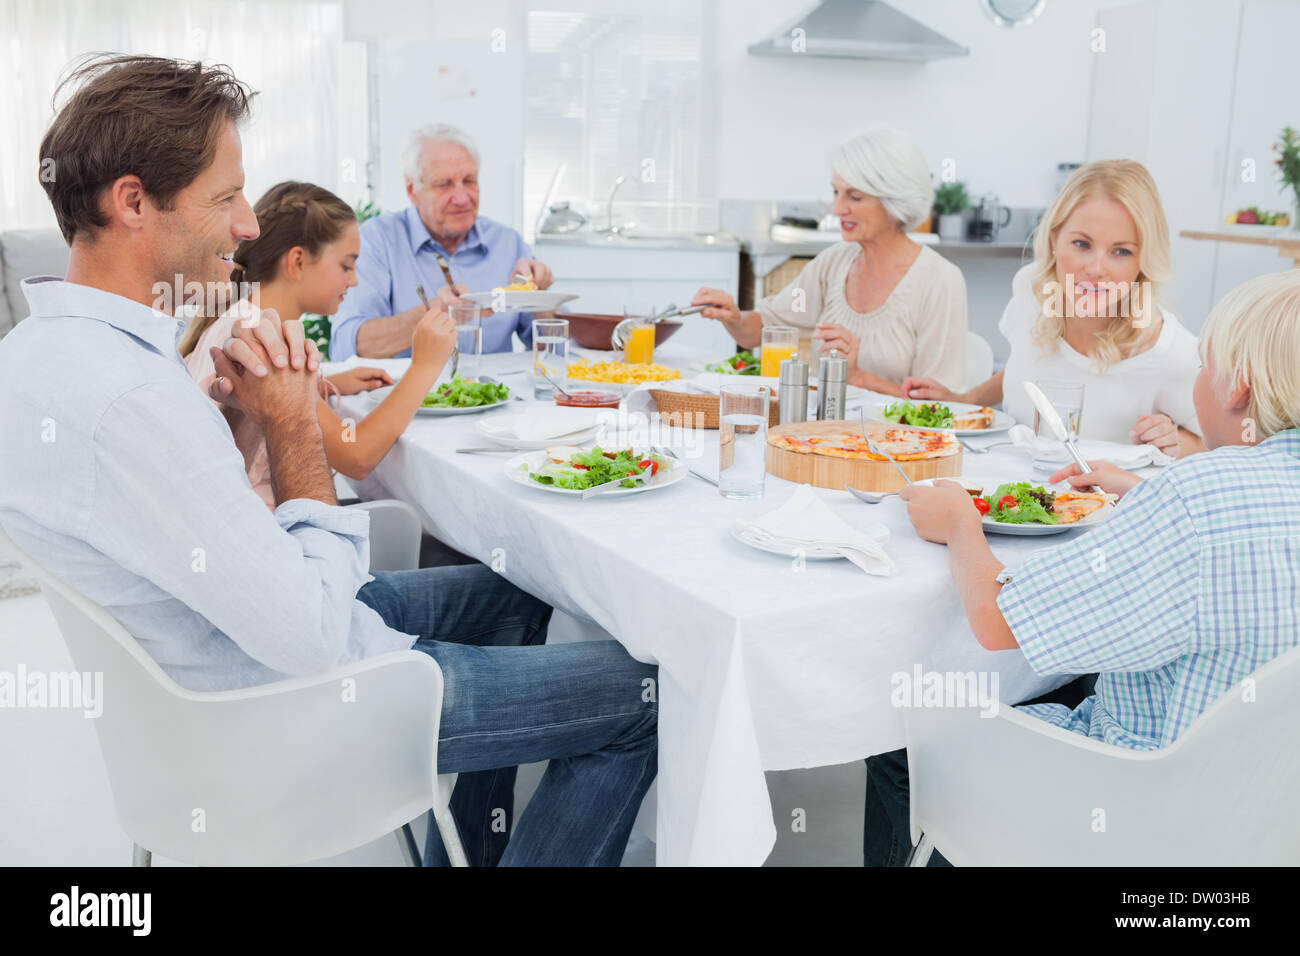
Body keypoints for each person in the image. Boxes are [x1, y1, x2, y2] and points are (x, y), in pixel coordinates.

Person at [0, 53, 656, 868]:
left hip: (225, 649)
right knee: (644, 693)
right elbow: (312, 633)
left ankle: (481, 851)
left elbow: (189, 524)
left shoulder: (41, 354)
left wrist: (238, 427)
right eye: (226, 197)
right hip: (302, 705)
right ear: (133, 201)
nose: (248, 225)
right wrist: (290, 429)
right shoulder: (132, 397)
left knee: (517, 587)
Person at [866, 268, 1300, 865]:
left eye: (1204, 366)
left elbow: (998, 623)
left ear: (1238, 388)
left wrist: (961, 524)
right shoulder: (1200, 494)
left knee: (892, 731)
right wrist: (1151, 496)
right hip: (1263, 827)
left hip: (1132, 808)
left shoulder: (1197, 498)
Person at [903, 159, 1205, 458]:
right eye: (1081, 244)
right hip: (1006, 494)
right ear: (1054, 239)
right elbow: (1029, 367)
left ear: (1144, 260)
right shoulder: (1032, 291)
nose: (1096, 268)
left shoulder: (1169, 352)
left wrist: (1178, 443)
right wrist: (966, 399)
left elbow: (1221, 445)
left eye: (1121, 251)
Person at [181, 181, 457, 508]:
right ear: (297, 261)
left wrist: (319, 386)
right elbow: (357, 455)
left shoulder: (236, 317)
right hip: (276, 537)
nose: (353, 280)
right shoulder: (265, 340)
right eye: (346, 265)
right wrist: (425, 366)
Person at [693, 127, 967, 396]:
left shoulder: (939, 281)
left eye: (855, 197)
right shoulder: (834, 263)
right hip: (823, 434)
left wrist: (859, 377)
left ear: (896, 202)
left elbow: (939, 407)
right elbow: (764, 329)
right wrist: (733, 316)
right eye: (836, 192)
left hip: (895, 439)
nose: (837, 209)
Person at [330, 123, 555, 360]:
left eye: (469, 181)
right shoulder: (377, 240)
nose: (461, 198)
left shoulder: (508, 244)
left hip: (495, 395)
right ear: (412, 190)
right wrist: (434, 314)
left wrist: (538, 301)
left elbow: (560, 350)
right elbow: (345, 348)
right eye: (443, 184)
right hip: (406, 396)